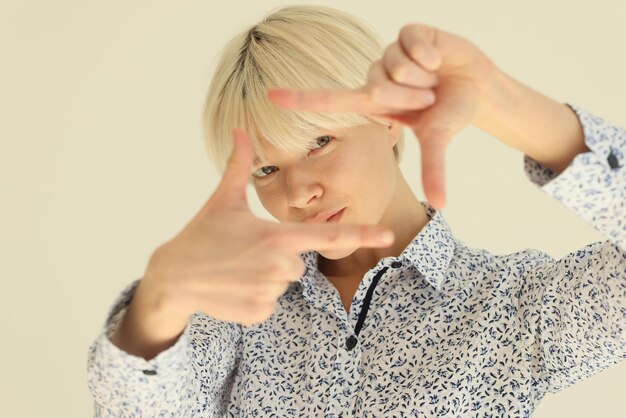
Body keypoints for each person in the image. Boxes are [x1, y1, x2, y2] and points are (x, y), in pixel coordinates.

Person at [87, 5, 625, 417]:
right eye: (266, 170)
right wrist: (160, 296)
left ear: (389, 118)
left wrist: (507, 103)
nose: (297, 195)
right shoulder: (234, 313)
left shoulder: (510, 305)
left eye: (319, 141)